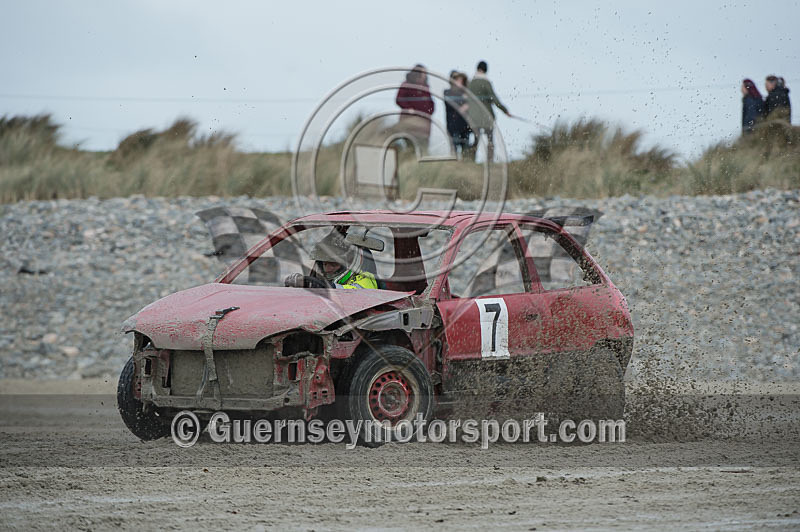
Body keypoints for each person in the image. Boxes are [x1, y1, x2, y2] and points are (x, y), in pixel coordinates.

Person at [284, 231, 377, 289]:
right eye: (324, 264)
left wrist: (320, 285)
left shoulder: (367, 278)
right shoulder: (330, 280)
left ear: (350, 263)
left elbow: (353, 294)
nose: (327, 269)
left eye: (333, 264)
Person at [467, 61, 511, 162]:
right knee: (490, 139)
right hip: (486, 116)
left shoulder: (471, 83)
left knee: (476, 139)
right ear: (486, 70)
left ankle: (471, 160)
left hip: (473, 116)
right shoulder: (486, 83)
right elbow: (494, 99)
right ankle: (490, 161)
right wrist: (505, 111)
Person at [395, 64, 435, 149]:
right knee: (410, 145)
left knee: (423, 147)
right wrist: (409, 109)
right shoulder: (407, 84)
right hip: (409, 122)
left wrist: (429, 113)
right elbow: (399, 99)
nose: (425, 75)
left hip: (424, 125)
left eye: (425, 73)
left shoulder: (426, 87)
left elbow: (431, 103)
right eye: (423, 73)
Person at [444, 71, 471, 158]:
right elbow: (450, 104)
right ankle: (454, 162)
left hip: (464, 125)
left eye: (461, 80)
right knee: (454, 147)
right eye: (457, 80)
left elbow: (471, 104)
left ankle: (465, 163)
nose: (459, 82)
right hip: (453, 125)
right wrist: (464, 103)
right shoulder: (447, 92)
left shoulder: (466, 93)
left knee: (465, 147)